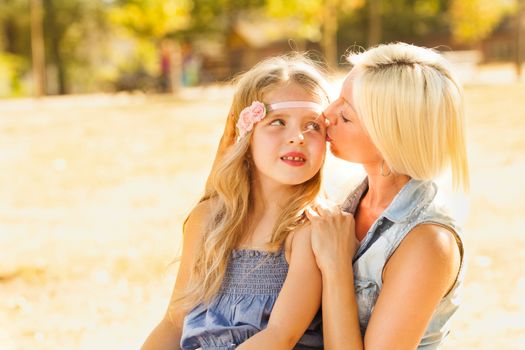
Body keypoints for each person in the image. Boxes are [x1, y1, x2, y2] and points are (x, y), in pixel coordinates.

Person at [141, 54, 331, 350]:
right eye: (278, 122)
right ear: (245, 135)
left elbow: (281, 335)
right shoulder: (209, 220)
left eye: (313, 126)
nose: (298, 137)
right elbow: (174, 322)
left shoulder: (309, 229)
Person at [306, 42, 469, 349]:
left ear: (388, 138)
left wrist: (336, 265)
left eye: (346, 115)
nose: (326, 115)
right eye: (335, 99)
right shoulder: (345, 199)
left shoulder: (428, 242)